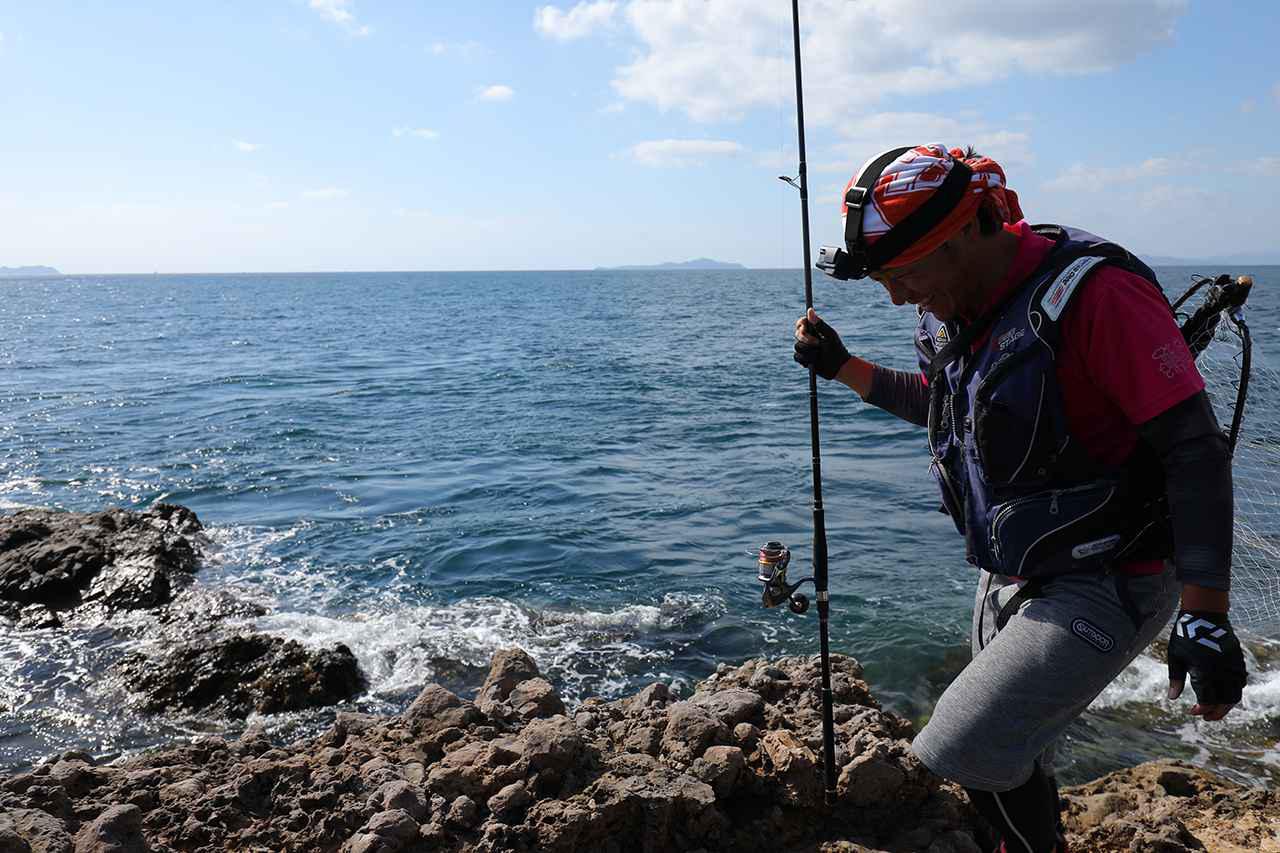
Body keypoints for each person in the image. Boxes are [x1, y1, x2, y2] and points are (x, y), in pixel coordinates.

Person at [792, 144, 1248, 853]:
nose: (897, 296)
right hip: (1012, 571)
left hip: (1110, 577)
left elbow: (1194, 449)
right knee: (1012, 756)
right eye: (884, 279)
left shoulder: (1095, 296)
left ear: (970, 230)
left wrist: (1207, 614)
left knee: (960, 745)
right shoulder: (951, 309)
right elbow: (952, 408)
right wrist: (845, 367)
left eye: (905, 274)